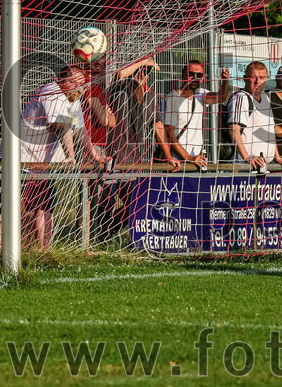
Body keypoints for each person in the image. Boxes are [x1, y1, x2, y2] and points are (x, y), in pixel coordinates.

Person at [19, 65, 112, 248]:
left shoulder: (72, 97)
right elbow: (62, 126)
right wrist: (70, 155)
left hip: (42, 162)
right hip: (18, 156)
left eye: (82, 84)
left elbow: (79, 129)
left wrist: (94, 155)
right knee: (6, 206)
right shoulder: (51, 92)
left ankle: (43, 251)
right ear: (64, 81)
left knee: (45, 205)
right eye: (77, 83)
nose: (81, 88)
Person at [95, 60, 180, 244]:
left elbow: (158, 126)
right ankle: (96, 238)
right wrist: (144, 61)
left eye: (146, 71)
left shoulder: (150, 95)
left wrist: (168, 156)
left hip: (137, 162)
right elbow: (120, 74)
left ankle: (105, 235)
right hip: (114, 158)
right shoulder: (120, 88)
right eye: (140, 70)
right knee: (104, 206)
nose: (143, 74)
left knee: (135, 205)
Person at [163, 60, 229, 169]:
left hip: (197, 161)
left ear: (202, 78)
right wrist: (189, 158)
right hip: (178, 163)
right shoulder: (171, 99)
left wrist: (225, 81)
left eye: (199, 75)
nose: (194, 77)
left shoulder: (200, 94)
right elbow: (169, 134)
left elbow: (221, 97)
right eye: (191, 74)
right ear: (183, 75)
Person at [226, 61, 282, 172]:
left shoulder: (265, 97)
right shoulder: (240, 98)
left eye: (261, 78)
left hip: (262, 167)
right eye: (254, 78)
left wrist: (278, 158)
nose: (258, 81)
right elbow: (234, 130)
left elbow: (270, 130)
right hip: (245, 168)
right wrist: (247, 157)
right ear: (245, 78)